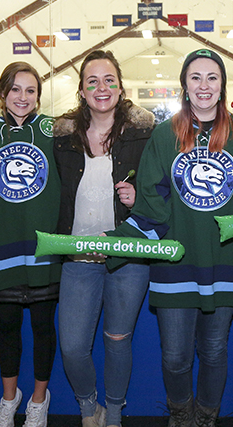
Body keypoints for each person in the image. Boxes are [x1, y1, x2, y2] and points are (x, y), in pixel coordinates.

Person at [108, 48, 233, 427]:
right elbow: (150, 200)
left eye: (212, 77)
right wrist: (115, 240)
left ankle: (206, 417)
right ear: (184, 85)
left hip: (226, 262)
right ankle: (180, 414)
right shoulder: (165, 135)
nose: (204, 85)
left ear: (223, 83)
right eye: (195, 77)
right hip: (176, 265)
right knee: (175, 356)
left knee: (213, 351)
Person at [54, 49, 154, 427]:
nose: (101, 87)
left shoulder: (144, 134)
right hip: (77, 257)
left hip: (127, 256)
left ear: (121, 86)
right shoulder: (62, 136)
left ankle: (113, 413)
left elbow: (160, 190)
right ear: (81, 90)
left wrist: (138, 195)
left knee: (117, 340)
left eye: (109, 79)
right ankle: (87, 405)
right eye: (92, 81)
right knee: (73, 347)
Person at [0, 62, 61, 427]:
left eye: (30, 90)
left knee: (43, 327)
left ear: (38, 97)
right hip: (1, 251)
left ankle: (39, 402)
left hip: (43, 249)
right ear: (2, 94)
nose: (23, 97)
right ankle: (9, 400)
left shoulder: (53, 130)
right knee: (8, 328)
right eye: (15, 89)